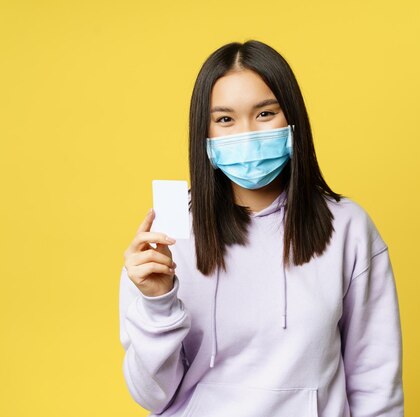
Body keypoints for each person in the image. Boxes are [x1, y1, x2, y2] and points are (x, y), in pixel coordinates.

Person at [119, 39, 404, 417]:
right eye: (225, 119)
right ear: (203, 136)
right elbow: (151, 396)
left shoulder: (348, 228)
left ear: (292, 120)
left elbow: (376, 381)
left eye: (265, 113)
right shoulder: (168, 236)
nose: (246, 133)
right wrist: (158, 305)